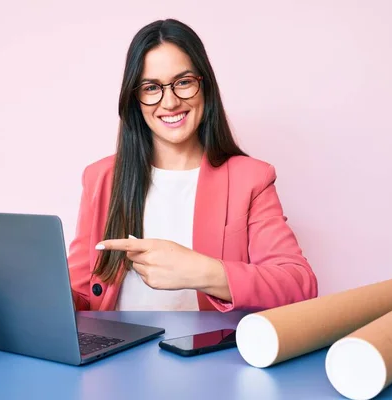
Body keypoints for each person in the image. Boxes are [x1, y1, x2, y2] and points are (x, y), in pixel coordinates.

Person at [67, 18, 318, 312]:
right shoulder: (100, 178)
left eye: (183, 82)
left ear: (204, 86)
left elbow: (299, 284)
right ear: (134, 99)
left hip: (207, 355)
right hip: (118, 355)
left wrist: (201, 271)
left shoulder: (251, 179)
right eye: (151, 87)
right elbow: (81, 297)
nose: (170, 102)